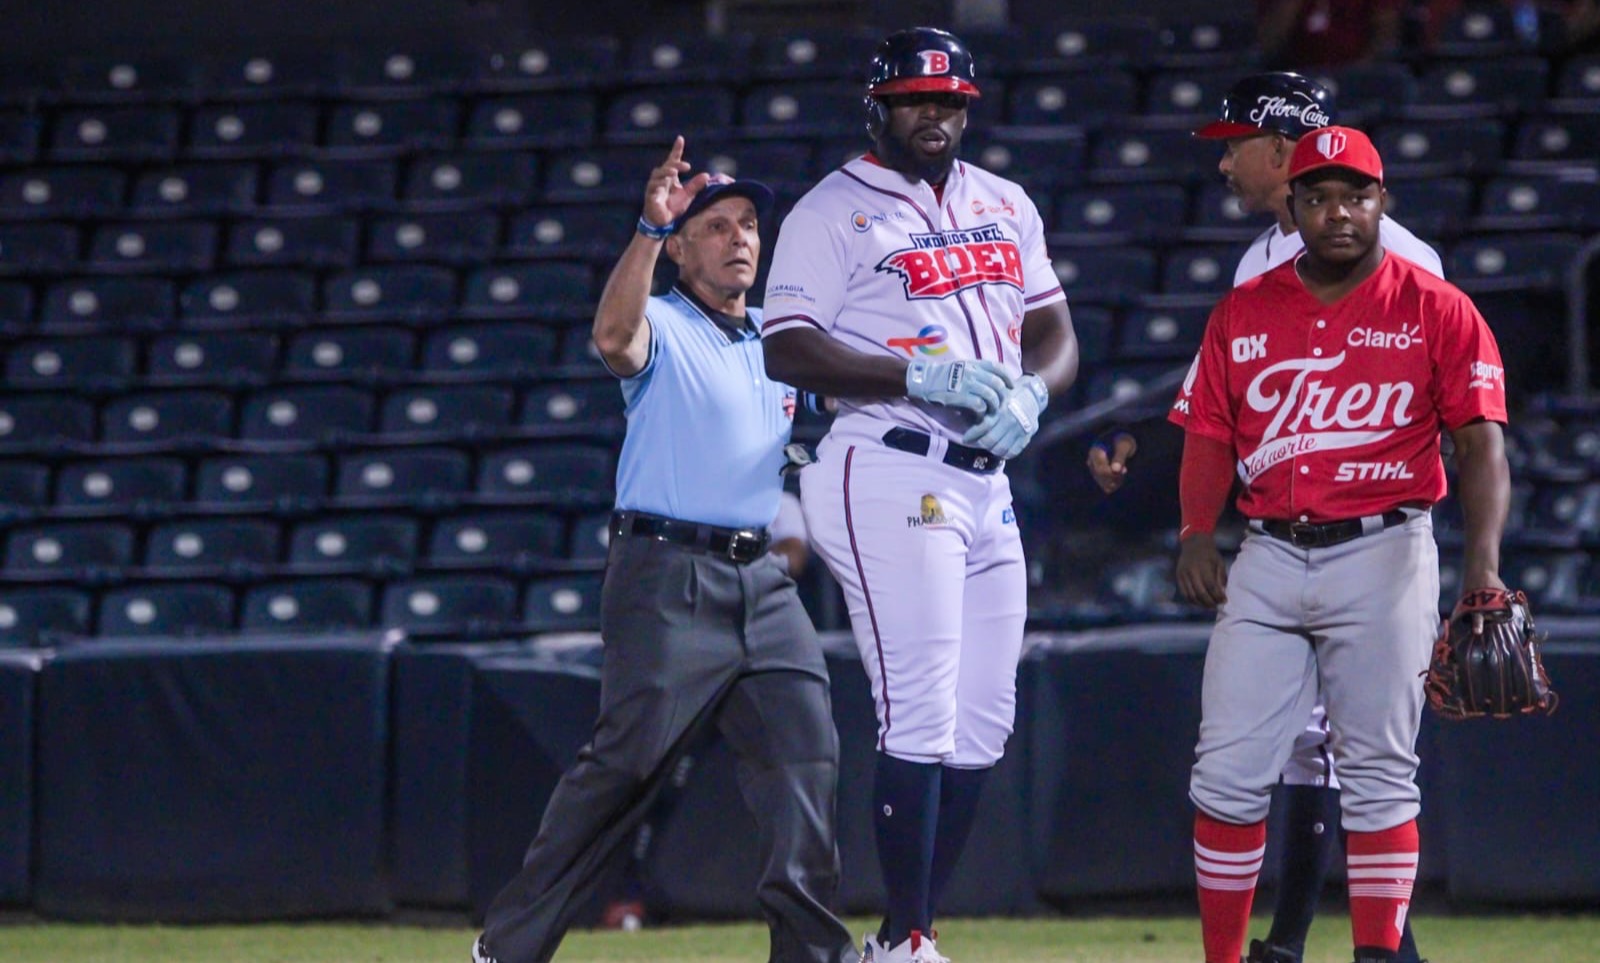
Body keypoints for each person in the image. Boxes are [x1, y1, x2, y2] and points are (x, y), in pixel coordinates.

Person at [472, 137, 857, 963]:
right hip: (668, 575)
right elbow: (615, 338)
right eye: (714, 226)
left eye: (749, 223)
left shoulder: (780, 340)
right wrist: (645, 231)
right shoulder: (665, 324)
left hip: (765, 580)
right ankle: (507, 949)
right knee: (624, 770)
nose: (740, 238)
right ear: (680, 247)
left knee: (806, 760)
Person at [1090, 72, 1442, 963]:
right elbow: (1234, 399)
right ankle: (1288, 946)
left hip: (1373, 537)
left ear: (1284, 153)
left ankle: (1366, 947)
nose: (1224, 162)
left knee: (1357, 763)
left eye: (1234, 142)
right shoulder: (1259, 259)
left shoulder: (1404, 260)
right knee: (1283, 754)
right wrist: (1156, 455)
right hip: (1282, 540)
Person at [761, 27, 1078, 963]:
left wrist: (1034, 387)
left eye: (947, 101)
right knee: (924, 707)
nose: (932, 113)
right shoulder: (830, 209)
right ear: (879, 105)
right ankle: (910, 940)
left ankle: (901, 936)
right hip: (884, 460)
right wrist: (913, 377)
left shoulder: (1005, 202)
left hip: (987, 476)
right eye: (913, 99)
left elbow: (1055, 330)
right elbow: (786, 345)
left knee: (986, 716)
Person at [1174, 126, 1511, 963]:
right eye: (1318, 197)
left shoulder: (1437, 305)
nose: (1338, 213)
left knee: (1379, 773)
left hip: (1385, 551)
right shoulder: (1243, 310)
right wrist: (1193, 531)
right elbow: (1210, 434)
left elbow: (1481, 445)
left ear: (1381, 202)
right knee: (1225, 771)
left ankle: (1372, 956)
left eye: (1355, 196)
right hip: (1269, 551)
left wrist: (1484, 571)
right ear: (1293, 206)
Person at [1258, 0, 1403, 66]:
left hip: (1356, 74)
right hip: (1296, 71)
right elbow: (1268, 44)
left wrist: (1359, 71)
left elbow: (1385, 37)